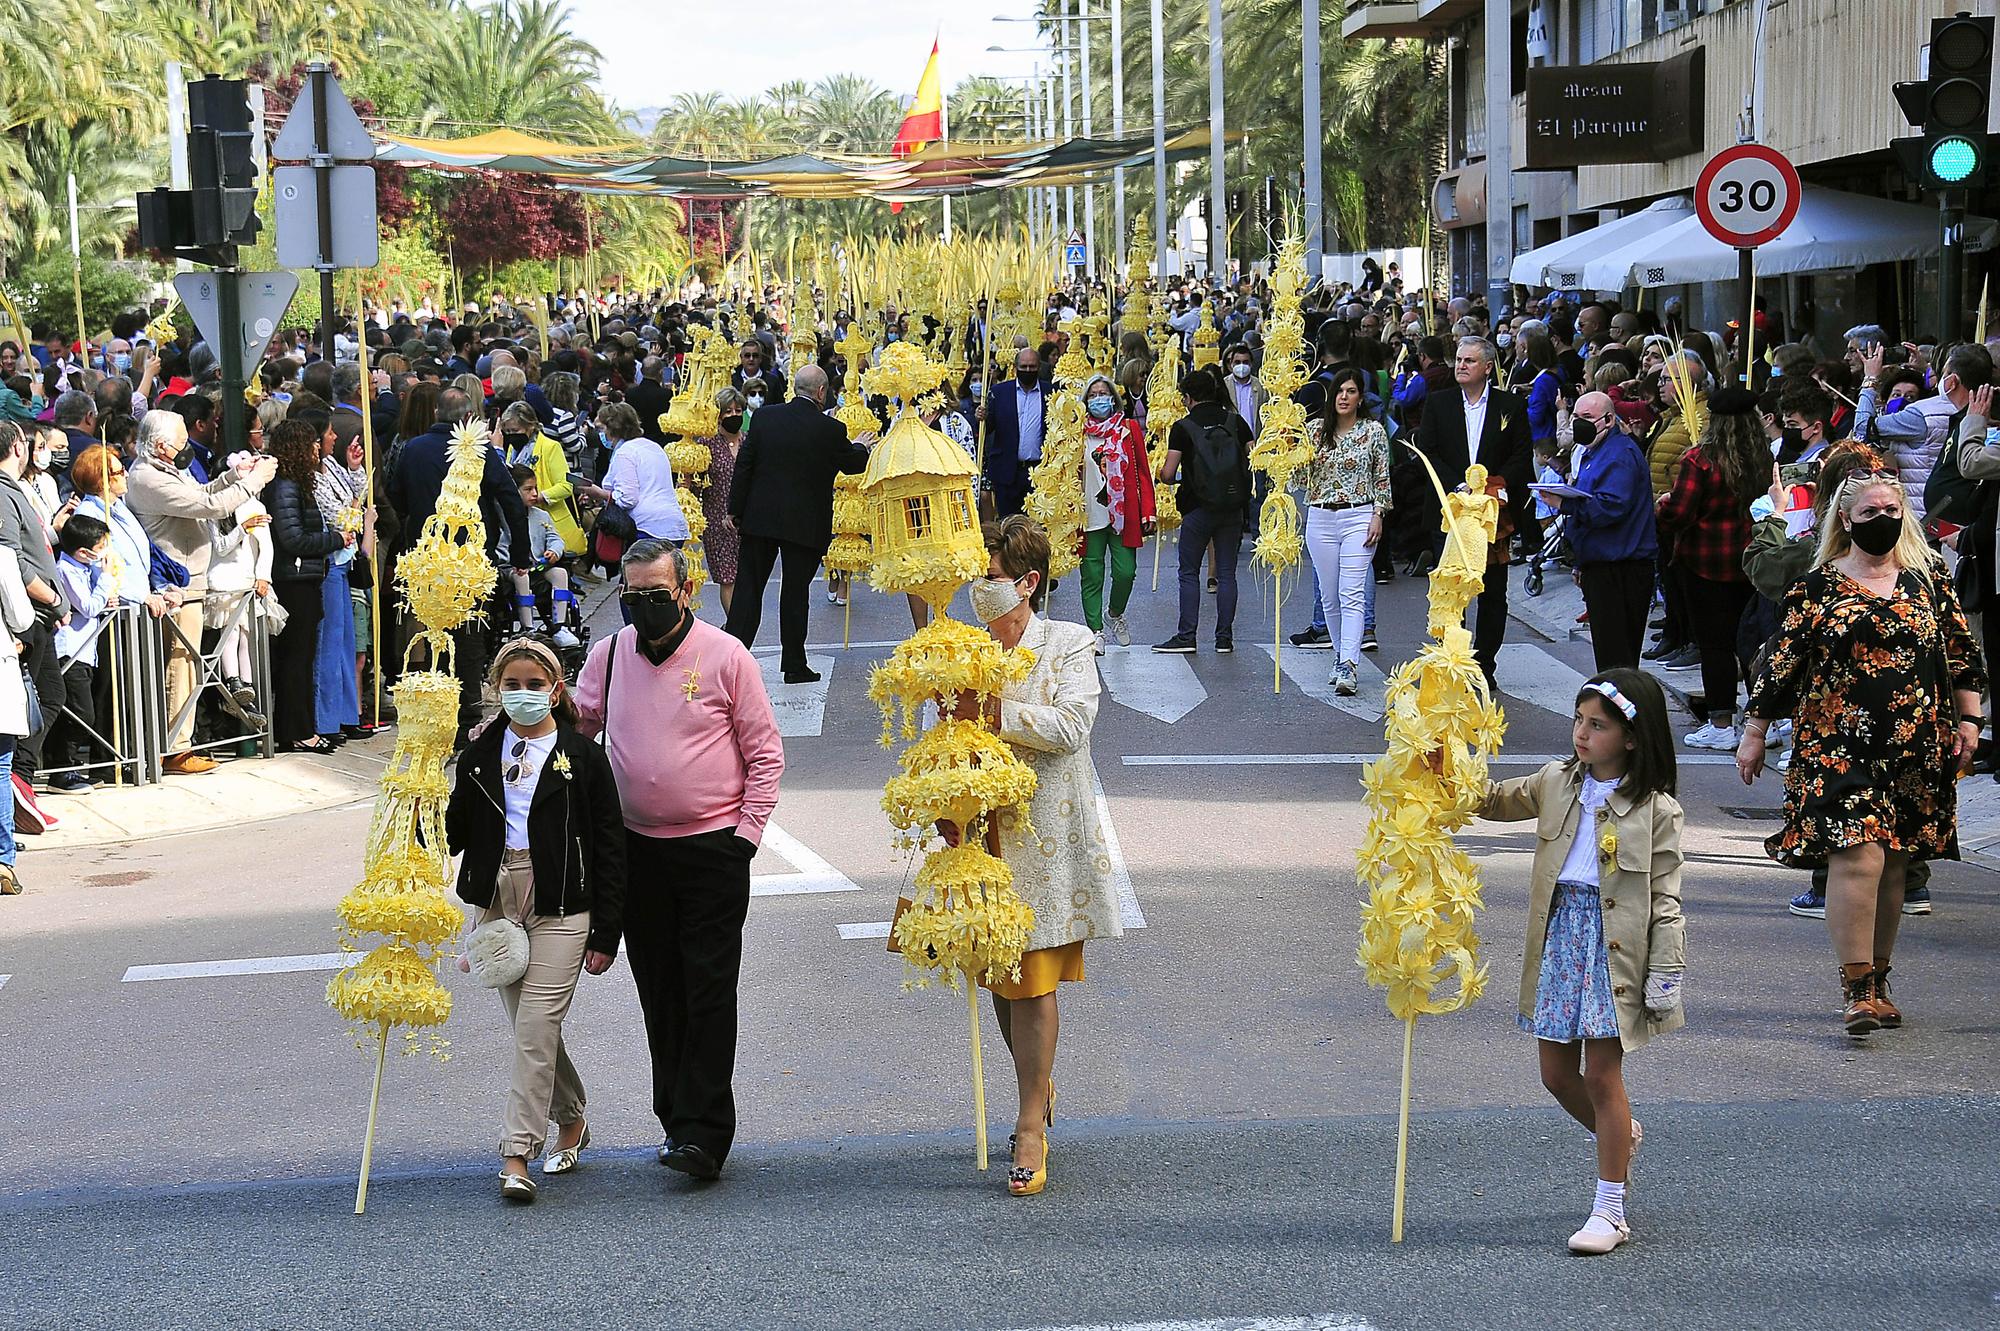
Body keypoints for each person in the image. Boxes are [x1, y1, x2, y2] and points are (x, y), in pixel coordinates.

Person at [1739, 471, 1983, 1037]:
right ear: (1845, 520)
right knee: (1860, 856)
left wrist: (1969, 720)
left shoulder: (1928, 581)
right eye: (1869, 513)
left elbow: (1960, 654)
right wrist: (1755, 731)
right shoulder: (1818, 587)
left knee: (1894, 861)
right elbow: (1782, 665)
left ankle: (1878, 979)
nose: (1883, 521)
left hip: (1917, 746)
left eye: (1891, 510)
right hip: (1837, 746)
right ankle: (1855, 988)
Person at [573, 541, 782, 1182]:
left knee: (709, 990)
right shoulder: (608, 658)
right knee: (660, 991)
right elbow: (579, 727)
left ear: (685, 591)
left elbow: (765, 754)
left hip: (713, 848)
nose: (642, 607)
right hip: (637, 852)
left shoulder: (726, 657)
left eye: (655, 595)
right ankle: (675, 1120)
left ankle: (706, 1133)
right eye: (631, 597)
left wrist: (744, 837)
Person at [1479, 669, 1685, 1254]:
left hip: (1616, 944)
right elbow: (1494, 800)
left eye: (1598, 725)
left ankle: (1610, 1209)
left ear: (1632, 738)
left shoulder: (1657, 809)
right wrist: (1442, 769)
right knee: (1555, 1075)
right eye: (1578, 720)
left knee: (1601, 1074)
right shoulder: (1556, 781)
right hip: (1560, 935)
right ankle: (1621, 1136)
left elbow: (1666, 897)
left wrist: (1667, 969)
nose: (1582, 733)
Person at [953, 516, 1123, 1196]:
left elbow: (1074, 726)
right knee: (1000, 977)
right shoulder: (968, 648)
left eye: (991, 580)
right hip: (986, 834)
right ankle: (1037, 1078)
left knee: (1036, 978)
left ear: (1027, 582)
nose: (981, 592)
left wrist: (1000, 715)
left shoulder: (1070, 642)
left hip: (1048, 839)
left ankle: (1030, 1122)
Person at [446, 636, 625, 1204]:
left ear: (556, 689)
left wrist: (606, 932)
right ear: (496, 690)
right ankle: (572, 1117)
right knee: (532, 1026)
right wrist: (445, 768)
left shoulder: (584, 758)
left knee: (534, 1027)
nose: (522, 695)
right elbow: (455, 836)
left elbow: (610, 848)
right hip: (498, 899)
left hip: (564, 904)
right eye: (511, 685)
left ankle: (516, 1151)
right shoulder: (480, 755)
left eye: (534, 685)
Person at [123, 409, 277, 773]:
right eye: (179, 443)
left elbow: (206, 491)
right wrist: (253, 482)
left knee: (189, 664)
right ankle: (175, 747)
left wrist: (231, 476)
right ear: (161, 447)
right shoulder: (148, 478)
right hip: (177, 584)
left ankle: (180, 743)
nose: (184, 449)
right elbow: (210, 508)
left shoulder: (168, 469)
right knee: (180, 664)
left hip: (193, 581)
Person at [723, 365, 869, 684]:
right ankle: (793, 664)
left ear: (795, 389)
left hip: (760, 518)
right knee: (794, 594)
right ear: (821, 392)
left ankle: (731, 658)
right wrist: (861, 444)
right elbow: (854, 463)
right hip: (804, 524)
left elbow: (744, 466)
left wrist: (734, 510)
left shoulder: (765, 418)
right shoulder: (830, 429)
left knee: (748, 590)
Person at [1415, 336, 1533, 687]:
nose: (1461, 366)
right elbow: (1429, 451)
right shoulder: (1438, 403)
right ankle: (1457, 658)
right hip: (1449, 509)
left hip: (1490, 514)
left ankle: (1485, 663)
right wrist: (1459, 486)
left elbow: (1520, 454)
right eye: (1459, 360)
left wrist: (1488, 486)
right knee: (1452, 589)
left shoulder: (1509, 405)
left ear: (1487, 367)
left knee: (1493, 592)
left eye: (1469, 361)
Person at [1653, 388, 1764, 748]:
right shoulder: (1763, 457)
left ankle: (1720, 724)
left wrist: (1663, 506)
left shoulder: (1699, 459)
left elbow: (1680, 512)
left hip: (1705, 562)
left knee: (1715, 645)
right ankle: (1761, 718)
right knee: (1752, 642)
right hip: (1753, 561)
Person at [1300, 367, 1391, 695]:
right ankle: (1341, 653)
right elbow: (1299, 479)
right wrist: (1287, 451)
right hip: (1321, 517)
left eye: (1351, 391)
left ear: (1360, 397)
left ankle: (1349, 663)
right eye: (1339, 391)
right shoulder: (1314, 431)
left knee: (1352, 592)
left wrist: (1378, 513)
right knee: (1329, 594)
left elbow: (1382, 477)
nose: (1344, 397)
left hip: (1359, 516)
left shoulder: (1373, 432)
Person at [265, 419, 353, 754]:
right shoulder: (286, 487)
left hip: (304, 578)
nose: (318, 448)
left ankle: (300, 726)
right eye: (312, 442)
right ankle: (297, 729)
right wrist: (334, 538)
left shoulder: (296, 485)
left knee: (301, 658)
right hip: (294, 581)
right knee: (296, 660)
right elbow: (293, 538)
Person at [1154, 367, 1253, 654]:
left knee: (1188, 572)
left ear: (1188, 398)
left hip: (1197, 508)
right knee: (1226, 573)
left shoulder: (1183, 427)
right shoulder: (1236, 422)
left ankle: (1187, 635)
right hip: (1233, 507)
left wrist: (1165, 474)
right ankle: (1224, 638)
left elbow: (1170, 473)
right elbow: (1253, 459)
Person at [1558, 392, 1657, 672]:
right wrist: (1580, 561)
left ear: (1609, 419)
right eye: (1576, 417)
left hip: (1622, 567)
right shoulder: (1594, 452)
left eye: (1587, 418)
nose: (1579, 423)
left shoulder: (1619, 454)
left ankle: (1620, 712)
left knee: (1617, 658)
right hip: (1601, 564)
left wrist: (1565, 503)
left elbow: (1610, 508)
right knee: (1608, 654)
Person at [1076, 374, 1156, 653]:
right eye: (1094, 395)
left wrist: (1149, 510)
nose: (1099, 399)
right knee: (1092, 574)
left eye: (1104, 393)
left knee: (1126, 572)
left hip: (1122, 514)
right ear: (1086, 402)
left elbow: (1143, 472)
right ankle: (1094, 631)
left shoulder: (1128, 429)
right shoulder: (1078, 434)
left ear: (1113, 398)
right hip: (1089, 513)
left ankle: (1115, 613)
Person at [48, 514, 118, 793]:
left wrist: (105, 593)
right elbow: (87, 606)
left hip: (86, 651)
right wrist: (106, 580)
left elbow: (95, 604)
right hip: (70, 652)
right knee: (80, 713)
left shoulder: (86, 569)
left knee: (83, 711)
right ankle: (61, 771)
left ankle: (71, 768)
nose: (105, 551)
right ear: (84, 552)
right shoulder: (66, 570)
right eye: (101, 545)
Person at [204, 480, 274, 729]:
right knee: (230, 633)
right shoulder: (215, 511)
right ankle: (232, 682)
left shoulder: (255, 505)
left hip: (247, 582)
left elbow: (267, 547)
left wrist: (263, 575)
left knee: (246, 637)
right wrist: (242, 529)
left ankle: (247, 690)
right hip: (223, 582)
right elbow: (220, 547)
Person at [501, 465, 580, 646]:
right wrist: (511, 561)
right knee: (522, 577)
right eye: (528, 489)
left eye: (535, 488)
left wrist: (554, 551)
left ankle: (560, 626)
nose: (535, 493)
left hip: (539, 565)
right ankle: (528, 628)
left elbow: (555, 538)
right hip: (512, 569)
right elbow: (500, 547)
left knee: (560, 573)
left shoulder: (541, 516)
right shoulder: (503, 518)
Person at [498, 401, 586, 558]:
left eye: (515, 430)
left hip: (548, 519)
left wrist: (539, 496)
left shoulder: (550, 447)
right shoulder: (512, 448)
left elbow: (566, 486)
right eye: (508, 431)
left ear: (530, 426)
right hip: (521, 518)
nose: (511, 435)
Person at [979, 348, 1049, 517]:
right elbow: (988, 428)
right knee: (1008, 523)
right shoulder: (1000, 392)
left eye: (1032, 367)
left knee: (1035, 526)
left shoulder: (1050, 392)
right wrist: (981, 417)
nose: (1027, 370)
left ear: (1039, 367)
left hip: (1039, 473)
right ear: (1016, 367)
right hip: (1007, 472)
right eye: (1023, 366)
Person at [702, 387, 746, 615]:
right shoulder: (706, 445)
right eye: (727, 411)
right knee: (727, 577)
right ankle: (735, 625)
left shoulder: (749, 441)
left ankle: (740, 625)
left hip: (747, 520)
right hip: (717, 520)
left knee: (745, 578)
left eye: (738, 410)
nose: (733, 415)